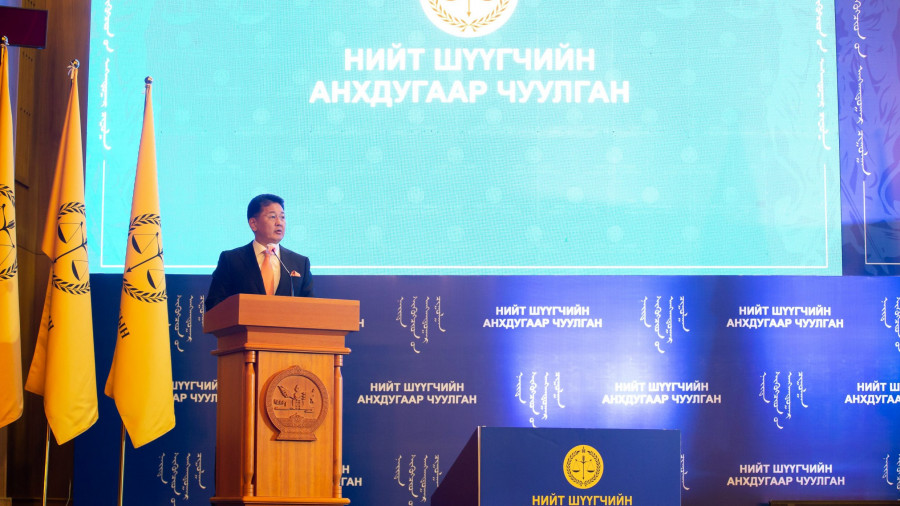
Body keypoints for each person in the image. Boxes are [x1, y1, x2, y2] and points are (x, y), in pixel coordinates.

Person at [205, 194, 314, 310]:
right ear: (253, 223)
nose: (279, 222)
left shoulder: (300, 263)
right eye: (272, 217)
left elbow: (311, 308)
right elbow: (215, 303)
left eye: (282, 217)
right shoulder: (231, 260)